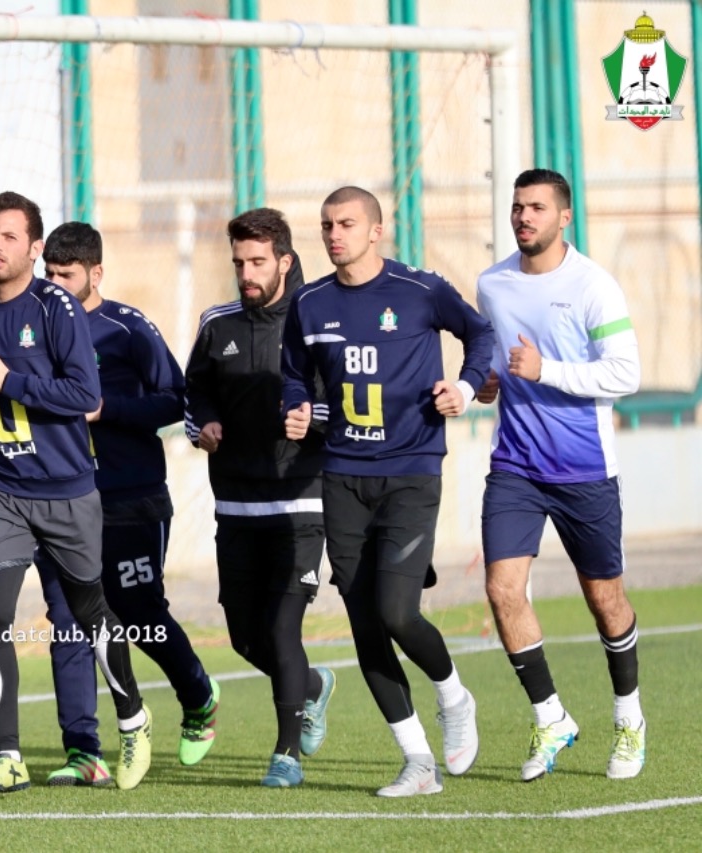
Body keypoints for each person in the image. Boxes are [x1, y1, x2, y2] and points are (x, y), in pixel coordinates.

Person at [281, 185, 492, 797]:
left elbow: (481, 335)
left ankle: (453, 695)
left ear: (376, 230)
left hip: (411, 472)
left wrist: (465, 386)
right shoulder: (309, 303)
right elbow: (294, 374)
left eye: (346, 223)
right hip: (342, 476)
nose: (334, 234)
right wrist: (296, 406)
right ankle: (418, 762)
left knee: (398, 612)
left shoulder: (420, 290)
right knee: (364, 623)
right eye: (327, 225)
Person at [0, 192, 153, 795]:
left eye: (9, 237)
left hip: (67, 492)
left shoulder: (57, 307)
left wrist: (9, 381)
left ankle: (133, 718)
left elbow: (84, 396)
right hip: (1, 489)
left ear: (35, 248)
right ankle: (9, 755)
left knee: (89, 613)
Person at [34, 221, 218, 787]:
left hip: (131, 498)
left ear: (96, 273)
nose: (56, 286)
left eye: (67, 276)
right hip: (61, 499)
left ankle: (198, 697)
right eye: (50, 274)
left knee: (138, 613)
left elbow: (174, 400)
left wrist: (105, 409)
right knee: (69, 621)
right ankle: (83, 750)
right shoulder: (32, 327)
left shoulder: (128, 328)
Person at [475, 168, 645, 781]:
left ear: (564, 216)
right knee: (502, 590)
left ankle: (629, 717)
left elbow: (626, 373)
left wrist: (546, 370)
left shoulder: (594, 286)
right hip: (515, 467)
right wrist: (487, 381)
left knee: (605, 600)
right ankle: (551, 717)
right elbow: (500, 359)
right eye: (518, 206)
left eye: (537, 207)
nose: (524, 217)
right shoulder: (492, 284)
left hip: (585, 470)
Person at [183, 208, 335, 788]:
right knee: (245, 636)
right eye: (239, 263)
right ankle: (313, 686)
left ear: (284, 262)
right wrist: (204, 425)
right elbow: (193, 392)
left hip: (301, 501)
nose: (246, 274)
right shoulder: (216, 323)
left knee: (281, 629)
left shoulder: (317, 320)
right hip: (236, 505)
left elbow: (345, 401)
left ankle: (286, 754)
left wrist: (312, 417)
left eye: (257, 262)